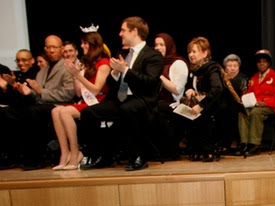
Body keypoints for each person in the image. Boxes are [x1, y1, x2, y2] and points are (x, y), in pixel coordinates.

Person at [79, 16, 163, 171]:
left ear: (134, 31)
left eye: (123, 30)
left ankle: (138, 156)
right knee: (89, 112)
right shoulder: (123, 54)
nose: (120, 34)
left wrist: (125, 70)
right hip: (120, 99)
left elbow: (149, 81)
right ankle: (100, 155)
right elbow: (112, 85)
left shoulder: (153, 55)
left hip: (142, 99)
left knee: (128, 109)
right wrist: (116, 73)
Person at [0, 35, 75, 170]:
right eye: (48, 47)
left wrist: (41, 91)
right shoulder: (43, 71)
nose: (51, 50)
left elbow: (68, 94)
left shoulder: (68, 67)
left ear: (62, 48)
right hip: (41, 105)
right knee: (7, 112)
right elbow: (37, 95)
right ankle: (11, 157)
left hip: (60, 106)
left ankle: (36, 158)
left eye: (54, 47)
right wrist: (24, 90)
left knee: (32, 111)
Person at [50, 29, 111, 170]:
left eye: (85, 43)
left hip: (98, 100)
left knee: (65, 112)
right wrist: (74, 76)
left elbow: (96, 89)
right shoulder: (85, 62)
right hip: (85, 100)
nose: (82, 46)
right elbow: (78, 93)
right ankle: (65, 153)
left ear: (93, 44)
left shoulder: (104, 63)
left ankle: (76, 153)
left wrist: (78, 75)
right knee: (55, 111)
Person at [178, 36, 233, 161]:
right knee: (181, 112)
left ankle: (208, 149)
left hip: (215, 104)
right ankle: (196, 147)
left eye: (194, 51)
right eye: (189, 52)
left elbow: (217, 89)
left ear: (204, 53)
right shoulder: (194, 70)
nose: (191, 55)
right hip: (202, 103)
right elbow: (188, 85)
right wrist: (189, 90)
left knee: (200, 115)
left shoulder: (211, 68)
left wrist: (201, 105)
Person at [234, 49, 275, 156]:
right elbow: (249, 93)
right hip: (255, 106)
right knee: (243, 112)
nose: (261, 64)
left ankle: (255, 145)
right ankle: (244, 143)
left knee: (256, 112)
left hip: (271, 107)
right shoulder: (254, 78)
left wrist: (264, 102)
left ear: (269, 63)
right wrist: (244, 99)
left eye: (264, 61)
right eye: (259, 62)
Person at [154, 32, 188, 159]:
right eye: (156, 45)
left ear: (168, 46)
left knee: (156, 110)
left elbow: (177, 90)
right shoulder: (156, 63)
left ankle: (169, 150)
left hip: (176, 104)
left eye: (161, 45)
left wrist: (159, 75)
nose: (158, 48)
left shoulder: (178, 63)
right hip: (158, 101)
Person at [220, 53, 247, 151]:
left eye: (235, 66)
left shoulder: (243, 78)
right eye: (230, 66)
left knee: (231, 110)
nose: (232, 68)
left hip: (239, 106)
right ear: (225, 68)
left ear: (239, 67)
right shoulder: (221, 78)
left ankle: (233, 141)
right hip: (223, 106)